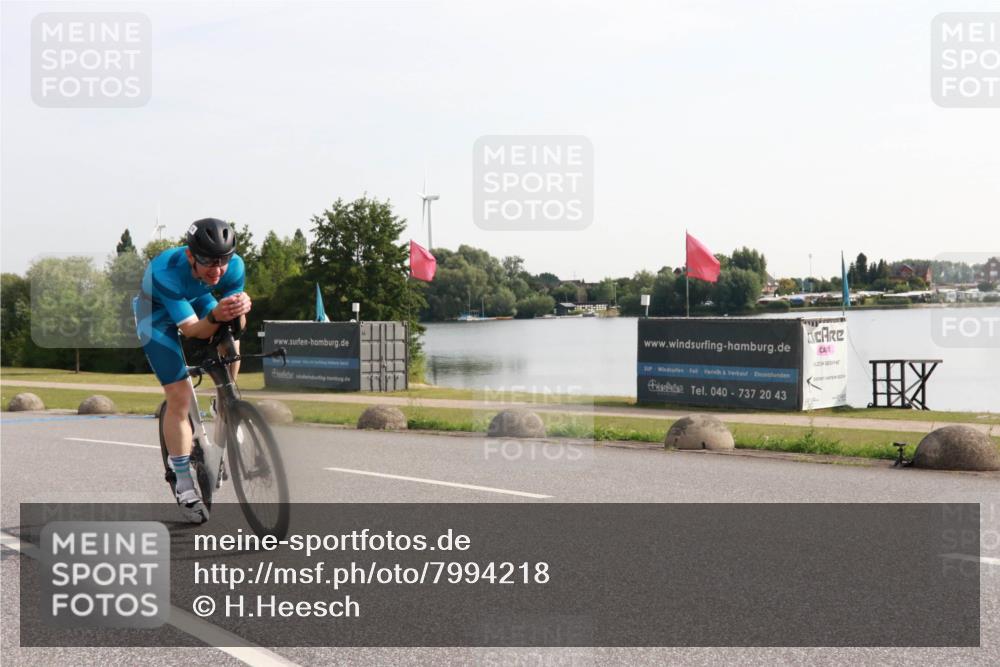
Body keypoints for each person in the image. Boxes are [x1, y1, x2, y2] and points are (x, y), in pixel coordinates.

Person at [133, 218, 252, 523]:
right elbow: (192, 331)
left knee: (231, 343)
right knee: (180, 396)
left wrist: (238, 313)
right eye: (208, 262)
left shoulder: (234, 267)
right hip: (156, 312)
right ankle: (182, 479)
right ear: (190, 256)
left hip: (197, 297)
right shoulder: (166, 272)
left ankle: (224, 401)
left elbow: (234, 325)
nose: (217, 270)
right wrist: (216, 314)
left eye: (223, 261)